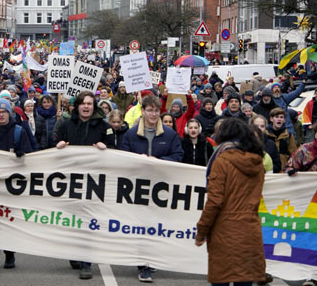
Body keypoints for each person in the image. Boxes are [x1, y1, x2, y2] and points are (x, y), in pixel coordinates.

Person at [119, 94, 183, 282]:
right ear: (143, 111)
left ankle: (151, 258)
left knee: (157, 225)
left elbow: (179, 155)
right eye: (150, 110)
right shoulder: (131, 133)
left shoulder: (169, 134)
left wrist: (160, 161)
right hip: (137, 186)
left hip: (161, 187)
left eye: (156, 110)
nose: (153, 114)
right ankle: (143, 264)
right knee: (141, 225)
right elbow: (124, 156)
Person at [195, 118, 266, 286]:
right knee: (245, 280)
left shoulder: (222, 161)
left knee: (222, 279)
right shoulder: (257, 163)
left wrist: (201, 231)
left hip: (224, 232)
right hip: (250, 231)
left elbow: (214, 202)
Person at [54, 91, 113, 280]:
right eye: (83, 103)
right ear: (77, 106)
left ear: (94, 106)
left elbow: (115, 150)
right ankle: (75, 253)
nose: (86, 106)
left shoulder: (104, 127)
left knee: (88, 221)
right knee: (73, 221)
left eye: (89, 103)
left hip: (94, 181)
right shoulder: (66, 124)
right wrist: (58, 145)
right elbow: (51, 144)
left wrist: (107, 149)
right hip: (70, 180)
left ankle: (86, 262)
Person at [0, 98, 32, 277]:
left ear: (10, 113)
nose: (1, 114)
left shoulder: (19, 132)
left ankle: (10, 253)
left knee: (10, 221)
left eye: (4, 111)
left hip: (12, 187)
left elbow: (30, 157)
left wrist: (21, 156)